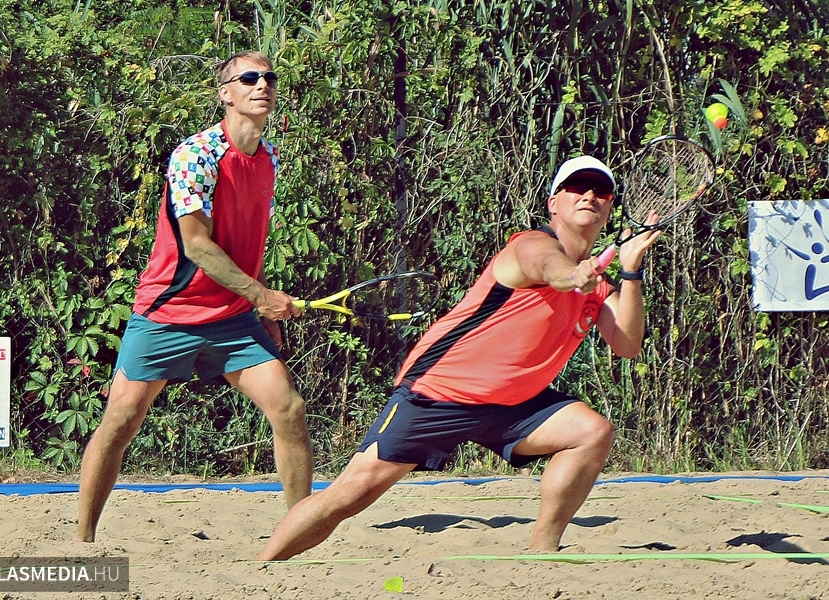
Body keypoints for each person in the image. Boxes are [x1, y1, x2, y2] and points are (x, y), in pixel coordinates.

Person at [257, 155, 661, 560]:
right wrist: (573, 275)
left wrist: (631, 272)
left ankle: (542, 550)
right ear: (554, 203)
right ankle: (263, 564)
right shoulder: (531, 244)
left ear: (609, 207)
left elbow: (627, 345)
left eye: (600, 190)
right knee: (347, 496)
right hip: (440, 392)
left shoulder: (599, 285)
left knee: (592, 432)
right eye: (576, 187)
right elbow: (548, 266)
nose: (589, 195)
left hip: (511, 404)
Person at [76, 51, 313, 542]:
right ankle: (83, 541)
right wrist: (261, 295)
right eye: (249, 78)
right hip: (169, 311)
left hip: (232, 317)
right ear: (225, 93)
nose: (262, 84)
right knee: (121, 420)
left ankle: (300, 533)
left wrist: (260, 307)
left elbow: (249, 240)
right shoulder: (196, 154)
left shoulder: (268, 158)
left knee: (288, 409)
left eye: (269, 77)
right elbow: (197, 245)